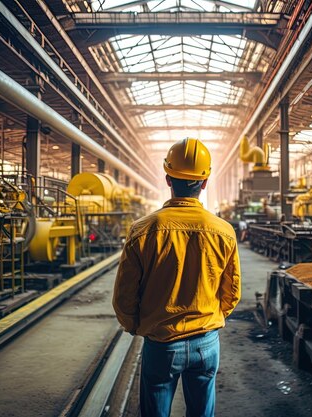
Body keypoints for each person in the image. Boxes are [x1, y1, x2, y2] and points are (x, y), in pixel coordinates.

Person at [112, 138, 241, 417]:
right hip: (206, 342)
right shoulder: (224, 231)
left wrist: (136, 325)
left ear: (168, 178)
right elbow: (232, 292)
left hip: (161, 343)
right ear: (204, 182)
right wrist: (211, 318)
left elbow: (124, 296)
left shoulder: (144, 230)